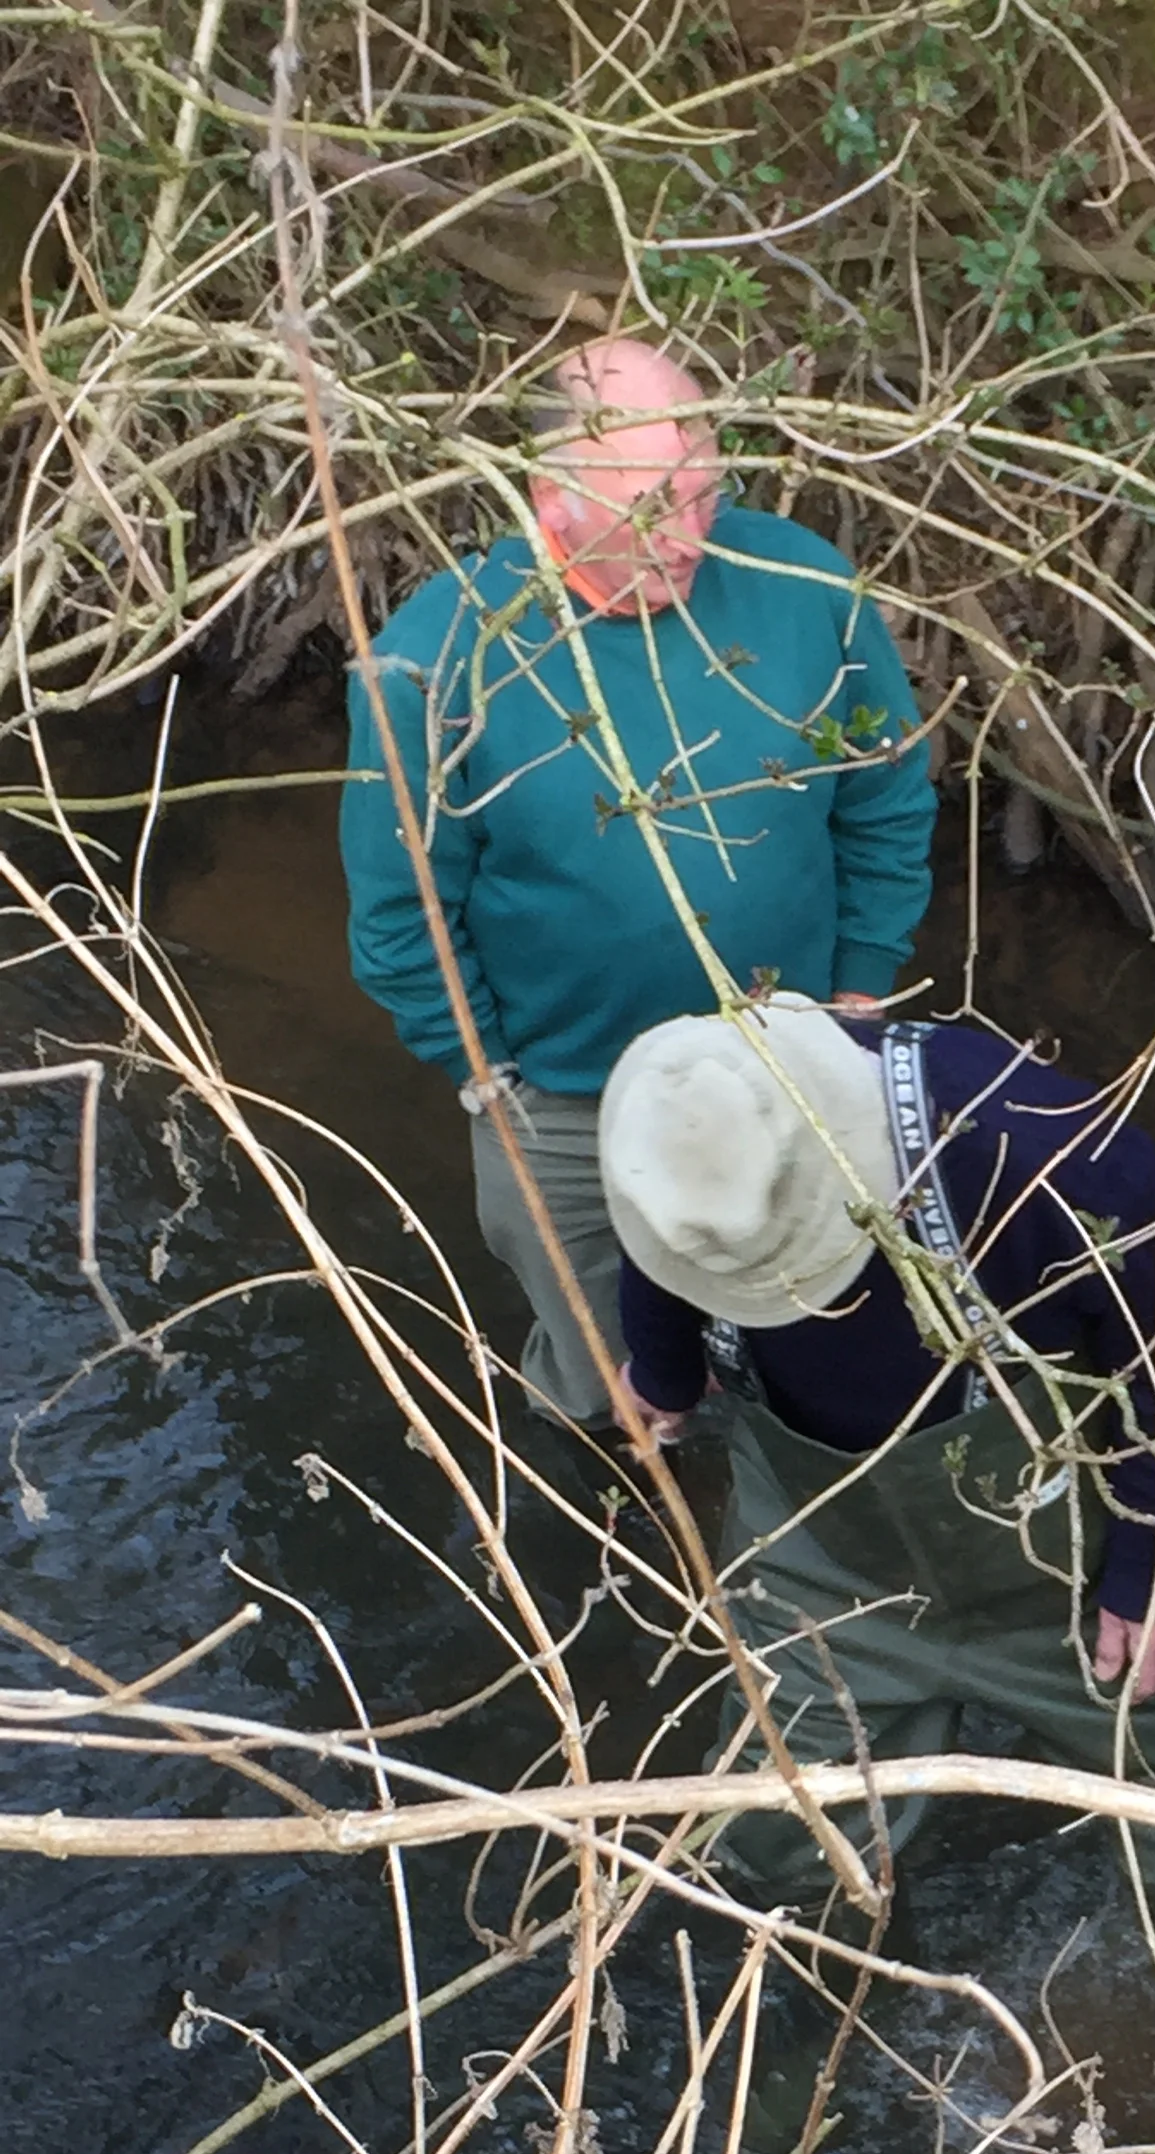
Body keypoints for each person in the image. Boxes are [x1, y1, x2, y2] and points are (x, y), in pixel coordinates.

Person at [340, 336, 935, 1426]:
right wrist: (487, 1076)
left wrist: (858, 992)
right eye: (650, 508)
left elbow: (884, 797)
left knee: (810, 1337)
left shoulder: (804, 584)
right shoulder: (431, 663)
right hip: (565, 1100)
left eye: (704, 494)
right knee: (615, 1390)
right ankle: (616, 1518)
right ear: (547, 500)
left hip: (791, 1058)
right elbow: (399, 913)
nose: (688, 534)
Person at [601, 995, 1155, 1903]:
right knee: (781, 1840)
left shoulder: (1057, 1156)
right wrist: (663, 1372)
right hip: (816, 1555)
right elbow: (661, 1251)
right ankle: (824, 1986)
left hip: (1057, 1560)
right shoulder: (674, 1129)